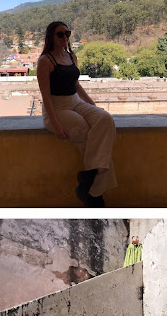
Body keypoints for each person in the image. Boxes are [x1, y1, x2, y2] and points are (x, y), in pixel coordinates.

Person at [37, 21, 117, 206]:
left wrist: (93, 106)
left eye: (67, 33)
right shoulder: (45, 61)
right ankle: (94, 193)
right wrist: (56, 124)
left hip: (76, 101)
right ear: (51, 37)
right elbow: (46, 96)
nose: (65, 37)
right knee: (84, 129)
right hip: (57, 108)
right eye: (60, 34)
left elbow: (76, 85)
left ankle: (88, 178)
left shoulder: (71, 56)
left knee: (105, 119)